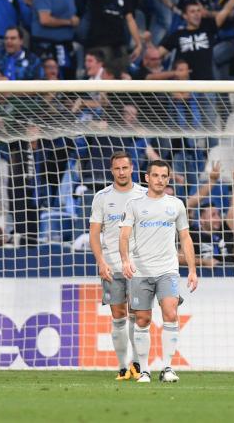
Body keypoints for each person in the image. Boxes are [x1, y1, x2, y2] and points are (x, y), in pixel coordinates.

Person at [119, 160, 198, 384]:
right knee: (142, 319)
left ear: (168, 179)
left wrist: (192, 269)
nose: (160, 180)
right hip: (141, 271)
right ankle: (144, 370)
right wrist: (125, 260)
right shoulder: (134, 205)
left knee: (171, 313)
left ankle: (168, 367)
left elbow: (185, 237)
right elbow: (124, 236)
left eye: (164, 176)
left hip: (168, 270)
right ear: (147, 178)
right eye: (156, 176)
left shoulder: (176, 205)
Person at [88, 151, 148, 380]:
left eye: (125, 168)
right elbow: (94, 234)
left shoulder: (144, 194)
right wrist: (100, 262)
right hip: (111, 265)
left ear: (132, 168)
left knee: (138, 315)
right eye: (117, 169)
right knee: (118, 314)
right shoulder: (102, 197)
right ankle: (123, 366)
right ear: (111, 171)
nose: (121, 172)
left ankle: (136, 364)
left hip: (139, 266)